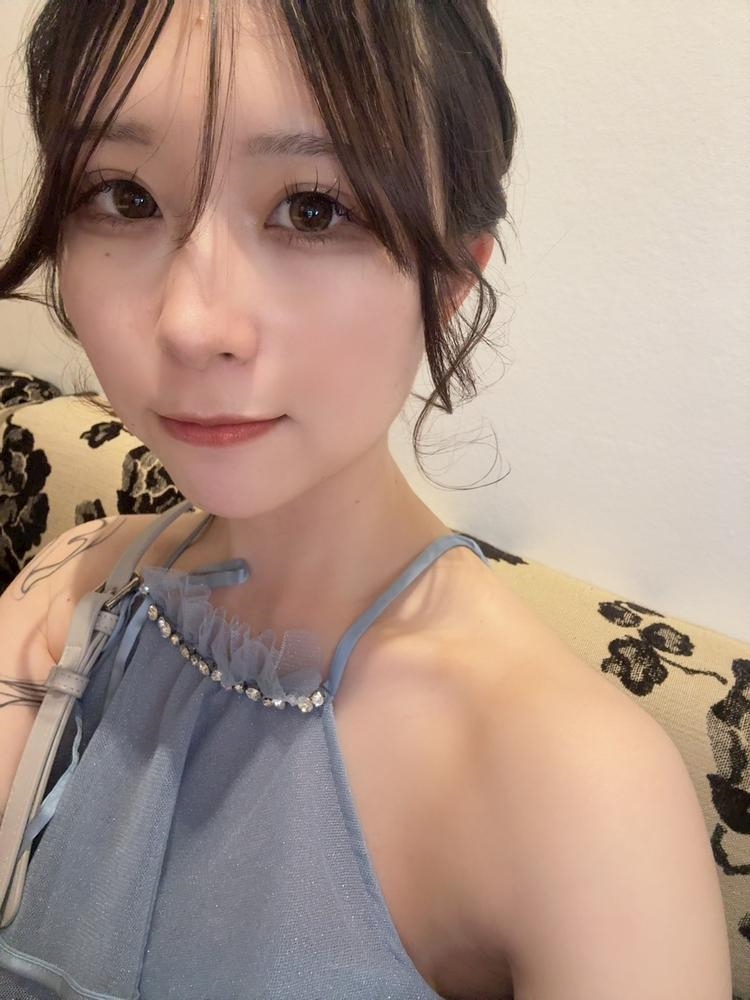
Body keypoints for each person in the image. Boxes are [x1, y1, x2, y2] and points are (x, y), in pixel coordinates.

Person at [0, 2, 732, 997]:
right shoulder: (65, 593)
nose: (192, 324)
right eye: (123, 196)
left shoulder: (578, 794)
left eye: (312, 210)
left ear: (451, 281)